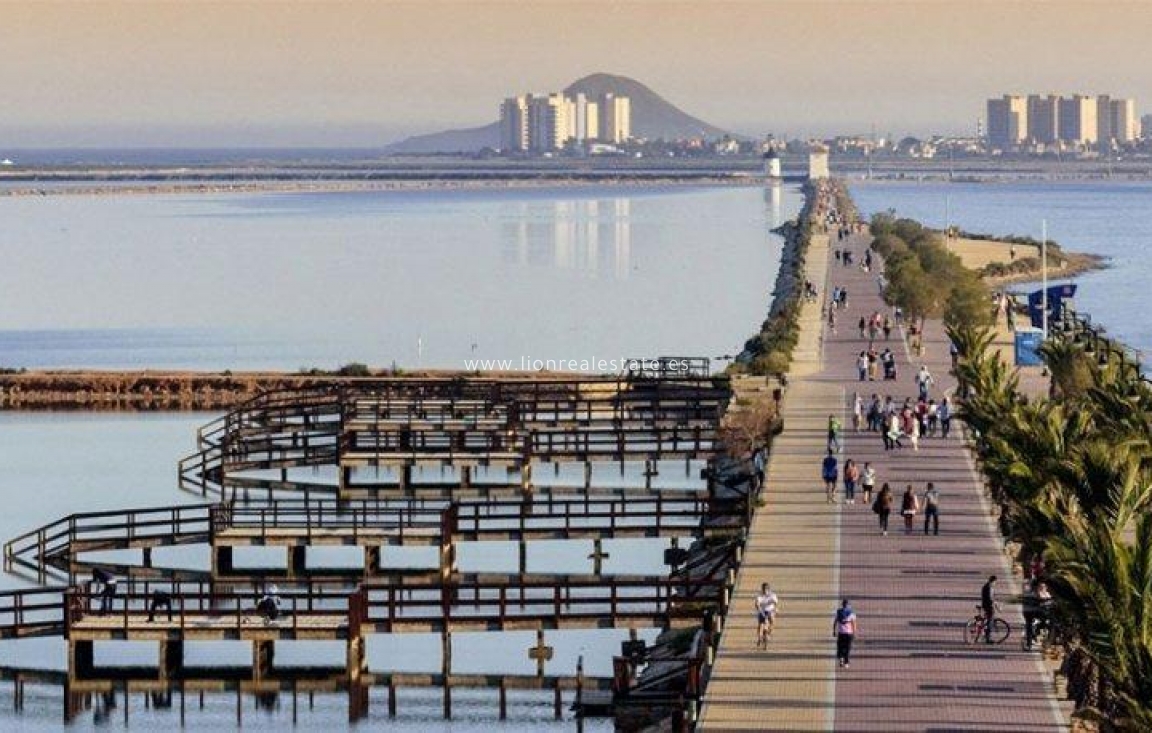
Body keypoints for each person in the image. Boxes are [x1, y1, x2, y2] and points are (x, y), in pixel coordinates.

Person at [832, 599, 858, 668]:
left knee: (840, 647)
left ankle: (841, 659)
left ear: (842, 605)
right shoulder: (852, 613)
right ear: (848, 605)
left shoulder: (839, 612)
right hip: (849, 634)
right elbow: (854, 624)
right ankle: (846, 662)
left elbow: (835, 622)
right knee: (847, 648)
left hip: (841, 633)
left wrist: (834, 631)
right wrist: (854, 633)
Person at [755, 583, 779, 649]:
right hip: (762, 611)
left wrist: (776, 609)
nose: (765, 591)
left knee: (772, 620)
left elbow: (776, 603)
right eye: (763, 590)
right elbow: (757, 604)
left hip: (770, 610)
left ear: (769, 590)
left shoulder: (772, 595)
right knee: (760, 625)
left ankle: (768, 633)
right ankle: (759, 637)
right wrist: (759, 610)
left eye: (766, 590)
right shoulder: (759, 595)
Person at [981, 576, 998, 643]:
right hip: (989, 606)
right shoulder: (990, 587)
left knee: (987, 619)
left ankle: (984, 632)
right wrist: (996, 606)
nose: (995, 584)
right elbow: (991, 599)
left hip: (984, 605)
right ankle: (988, 638)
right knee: (990, 622)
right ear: (993, 581)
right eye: (995, 582)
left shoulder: (985, 586)